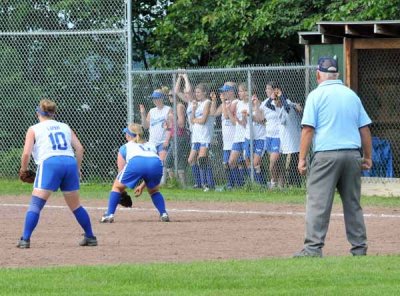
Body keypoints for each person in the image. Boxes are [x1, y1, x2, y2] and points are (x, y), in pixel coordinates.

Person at [294, 56, 372, 257]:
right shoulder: (351, 95)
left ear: (318, 75)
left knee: (318, 203)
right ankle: (359, 249)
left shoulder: (316, 95)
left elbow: (308, 130)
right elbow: (364, 129)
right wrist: (368, 156)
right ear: (337, 74)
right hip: (352, 155)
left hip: (326, 156)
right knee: (352, 203)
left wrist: (302, 159)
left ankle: (312, 249)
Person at [17, 99, 97, 248]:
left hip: (50, 163)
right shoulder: (65, 126)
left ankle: (25, 239)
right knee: (76, 206)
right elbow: (79, 148)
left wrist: (23, 169)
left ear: (38, 113)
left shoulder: (34, 128)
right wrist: (77, 168)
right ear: (53, 113)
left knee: (35, 205)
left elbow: (26, 154)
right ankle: (90, 236)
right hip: (69, 163)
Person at [100, 123, 170, 223]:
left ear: (129, 136)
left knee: (116, 187)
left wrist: (121, 191)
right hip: (156, 163)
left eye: (126, 134)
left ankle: (109, 215)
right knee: (154, 190)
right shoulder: (151, 145)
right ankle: (163, 214)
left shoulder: (125, 147)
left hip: (136, 162)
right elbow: (148, 170)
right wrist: (141, 187)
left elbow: (121, 172)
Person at [139, 88, 172, 185]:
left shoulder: (168, 109)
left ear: (162, 98)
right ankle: (151, 182)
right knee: (151, 162)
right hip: (152, 141)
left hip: (162, 141)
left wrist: (167, 140)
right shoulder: (152, 111)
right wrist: (143, 113)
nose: (155, 100)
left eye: (157, 98)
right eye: (154, 98)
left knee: (161, 161)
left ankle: (161, 183)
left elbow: (170, 126)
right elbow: (145, 126)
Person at [211, 82, 239, 189]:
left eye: (225, 90)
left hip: (234, 139)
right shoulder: (225, 103)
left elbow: (227, 116)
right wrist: (214, 101)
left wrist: (223, 102)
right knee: (225, 163)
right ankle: (230, 184)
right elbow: (213, 113)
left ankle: (238, 184)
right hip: (226, 141)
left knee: (234, 163)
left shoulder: (236, 102)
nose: (223, 93)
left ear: (232, 91)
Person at [188, 83, 215, 191]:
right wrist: (194, 110)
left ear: (204, 92)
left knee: (202, 159)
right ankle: (199, 183)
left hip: (204, 135)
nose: (197, 94)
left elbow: (203, 120)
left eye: (199, 92)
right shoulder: (197, 103)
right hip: (196, 136)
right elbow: (191, 120)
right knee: (191, 160)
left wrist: (195, 120)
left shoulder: (207, 102)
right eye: (196, 92)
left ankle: (208, 184)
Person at [274, 85, 303, 187]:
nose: (275, 102)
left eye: (277, 99)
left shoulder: (289, 108)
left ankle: (293, 185)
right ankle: (292, 185)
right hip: (286, 143)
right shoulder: (280, 108)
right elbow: (269, 104)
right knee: (289, 166)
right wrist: (275, 95)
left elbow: (287, 106)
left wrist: (281, 95)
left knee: (291, 166)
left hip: (293, 143)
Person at [260, 81, 284, 188]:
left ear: (274, 90)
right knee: (276, 164)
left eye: (269, 89)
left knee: (273, 161)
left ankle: (273, 183)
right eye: (266, 88)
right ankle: (281, 185)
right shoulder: (265, 103)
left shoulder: (279, 101)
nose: (266, 90)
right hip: (268, 135)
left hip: (278, 136)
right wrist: (255, 107)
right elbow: (260, 118)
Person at [165, 90, 190, 187]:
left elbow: (182, 124)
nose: (170, 97)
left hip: (181, 136)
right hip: (174, 137)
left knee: (179, 162)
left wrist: (172, 119)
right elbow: (170, 125)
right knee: (168, 162)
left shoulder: (179, 106)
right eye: (169, 96)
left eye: (172, 95)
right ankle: (175, 183)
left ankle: (183, 186)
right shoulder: (173, 108)